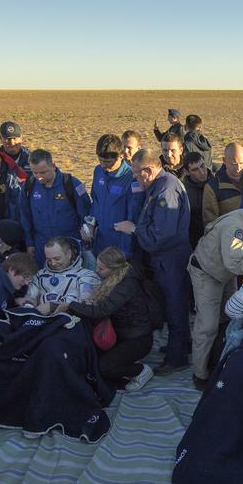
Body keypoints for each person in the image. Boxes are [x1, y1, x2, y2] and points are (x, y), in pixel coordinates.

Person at [188, 198, 243, 387]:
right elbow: (234, 261)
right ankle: (200, 373)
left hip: (224, 273)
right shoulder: (234, 226)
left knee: (230, 318)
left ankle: (218, 359)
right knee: (207, 326)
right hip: (207, 273)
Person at [128, 149, 193, 374]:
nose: (136, 178)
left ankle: (177, 359)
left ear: (148, 170)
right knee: (172, 306)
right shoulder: (159, 185)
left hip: (171, 259)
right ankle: (180, 346)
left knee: (175, 307)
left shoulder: (166, 190)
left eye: (137, 174)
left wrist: (136, 230)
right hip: (166, 260)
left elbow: (161, 234)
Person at [59, 247, 157, 392]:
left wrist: (70, 305)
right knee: (95, 361)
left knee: (104, 367)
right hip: (122, 334)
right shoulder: (114, 279)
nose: (97, 271)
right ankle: (124, 365)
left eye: (101, 268)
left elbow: (101, 310)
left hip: (137, 339)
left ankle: (140, 370)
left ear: (114, 268)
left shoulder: (126, 285)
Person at [20, 148, 91, 267]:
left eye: (43, 172)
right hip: (42, 247)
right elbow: (25, 217)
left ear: (53, 166)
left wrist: (84, 242)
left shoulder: (71, 184)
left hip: (69, 247)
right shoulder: (29, 186)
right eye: (35, 172)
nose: (39, 177)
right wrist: (29, 243)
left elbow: (86, 215)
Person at [88, 133, 138, 256]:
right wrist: (90, 224)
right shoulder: (98, 171)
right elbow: (95, 200)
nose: (104, 165)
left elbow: (132, 218)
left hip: (119, 246)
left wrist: (125, 253)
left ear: (121, 156)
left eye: (109, 162)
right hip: (99, 242)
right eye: (101, 161)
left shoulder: (132, 178)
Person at [24, 236, 101, 309]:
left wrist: (53, 307)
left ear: (69, 254)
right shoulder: (39, 276)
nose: (53, 263)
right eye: (49, 259)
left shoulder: (87, 276)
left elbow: (86, 306)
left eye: (57, 259)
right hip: (41, 320)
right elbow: (29, 302)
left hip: (73, 320)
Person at [202, 142, 243, 223]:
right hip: (228, 232)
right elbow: (210, 223)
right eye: (234, 163)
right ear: (224, 161)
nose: (238, 168)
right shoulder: (213, 187)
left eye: (241, 163)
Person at [182, 152, 212, 249]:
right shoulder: (182, 192)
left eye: (202, 166)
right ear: (186, 172)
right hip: (196, 241)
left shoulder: (218, 183)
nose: (202, 172)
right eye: (195, 170)